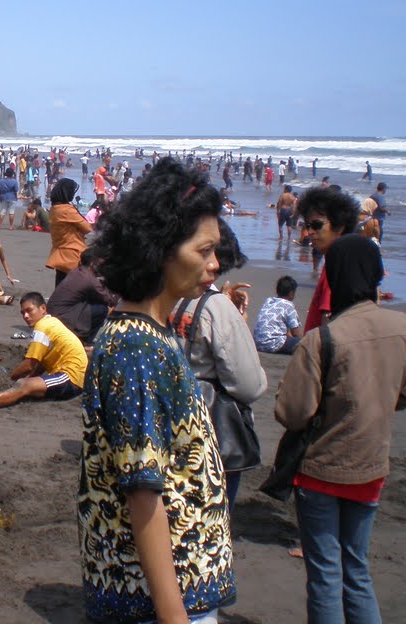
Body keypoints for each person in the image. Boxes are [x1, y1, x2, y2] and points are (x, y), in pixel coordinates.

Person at [78, 157, 234, 624]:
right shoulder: (135, 347)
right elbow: (142, 490)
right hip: (161, 601)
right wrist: (173, 616)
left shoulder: (154, 331)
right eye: (204, 250)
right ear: (160, 249)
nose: (215, 263)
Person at [274, 233, 406, 623]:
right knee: (358, 569)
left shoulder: (321, 340)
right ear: (378, 274)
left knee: (326, 575)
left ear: (332, 276)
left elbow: (293, 413)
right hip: (371, 467)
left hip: (320, 471)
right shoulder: (401, 329)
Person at [171, 220, 267, 508]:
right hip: (208, 429)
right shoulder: (216, 307)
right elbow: (248, 384)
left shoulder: (164, 298)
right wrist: (234, 318)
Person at [0, 292, 87, 411]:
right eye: (22, 313)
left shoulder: (43, 326)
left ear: (43, 308)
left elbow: (29, 364)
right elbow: (40, 364)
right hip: (72, 377)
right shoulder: (51, 323)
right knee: (25, 385)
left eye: (29, 310)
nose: (25, 316)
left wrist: (6, 379)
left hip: (72, 379)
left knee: (24, 386)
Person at [298, 186, 360, 332]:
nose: (310, 231)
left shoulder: (335, 269)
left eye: (317, 225)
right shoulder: (339, 261)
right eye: (308, 226)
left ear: (339, 226)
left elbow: (328, 320)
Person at [45, 248, 118, 343]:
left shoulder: (77, 272)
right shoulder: (89, 279)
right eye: (100, 264)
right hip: (63, 318)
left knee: (95, 301)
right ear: (92, 263)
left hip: (54, 314)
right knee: (102, 309)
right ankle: (85, 341)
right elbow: (111, 301)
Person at [45, 178, 91, 287]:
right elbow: (87, 227)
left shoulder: (54, 209)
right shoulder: (67, 210)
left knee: (61, 286)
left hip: (60, 252)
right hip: (73, 253)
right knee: (74, 289)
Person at [253, 275, 303, 354]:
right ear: (291, 293)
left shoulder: (269, 301)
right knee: (303, 343)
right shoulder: (288, 305)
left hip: (257, 343)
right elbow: (295, 332)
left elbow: (281, 328)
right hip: (273, 344)